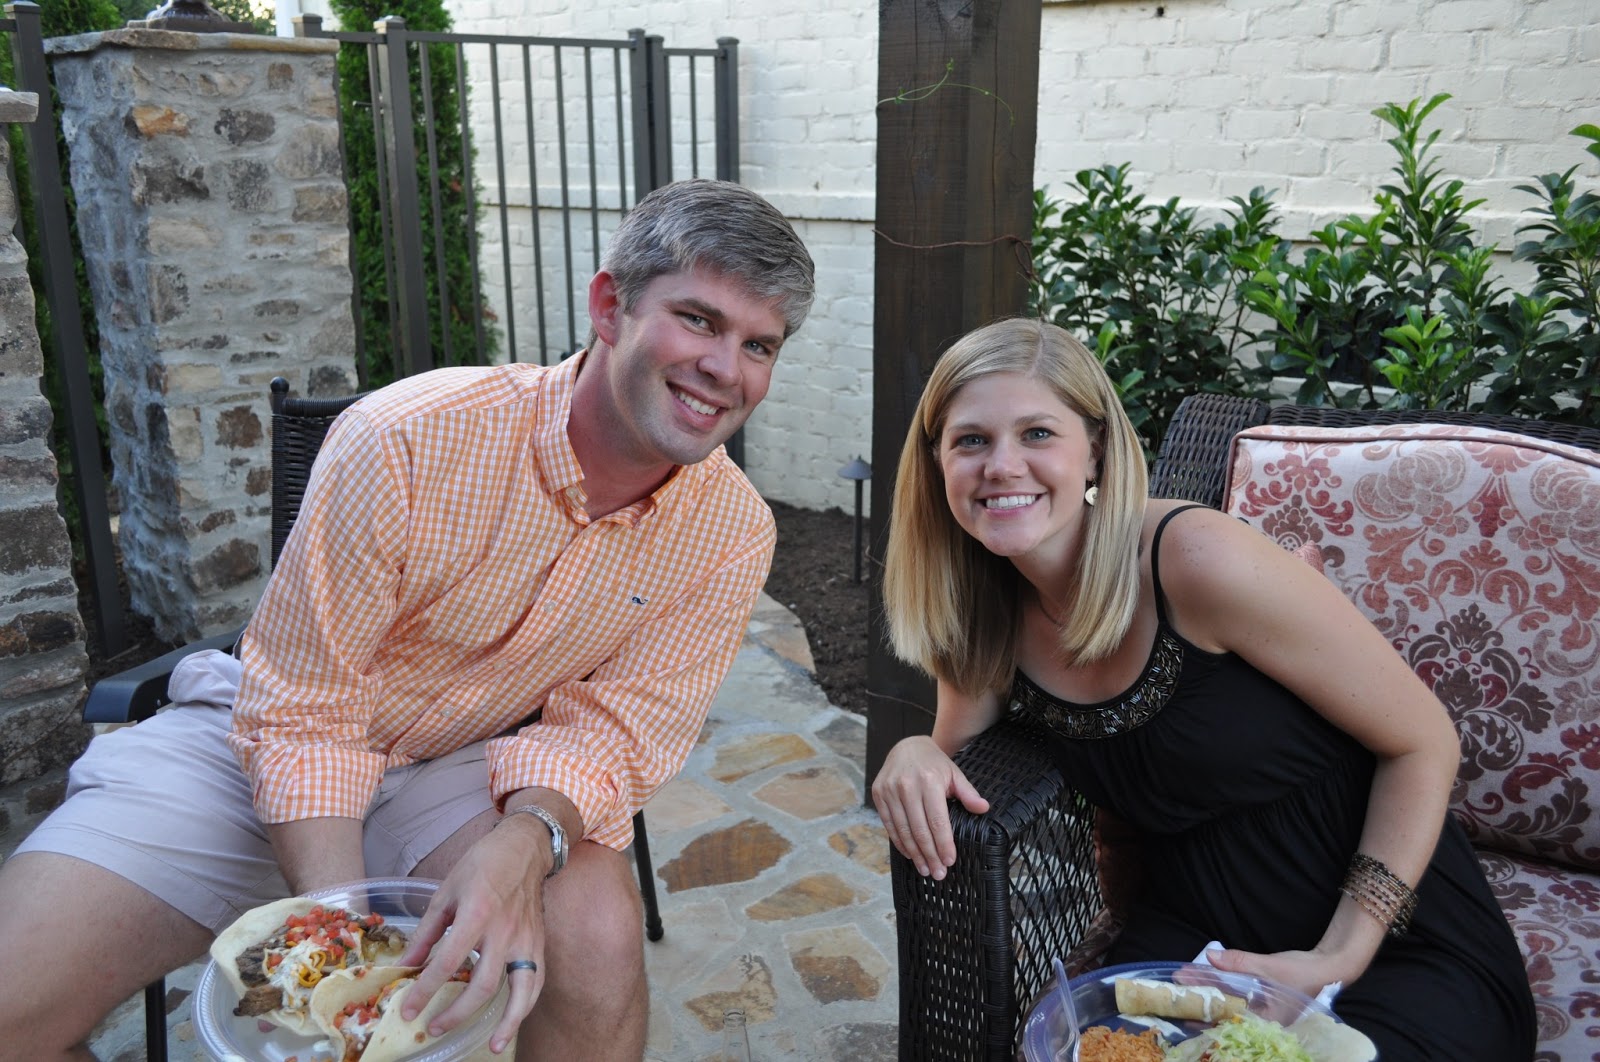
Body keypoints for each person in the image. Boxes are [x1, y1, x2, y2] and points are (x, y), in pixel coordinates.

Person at [0, 177, 815, 1062]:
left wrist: (527, 839)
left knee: (596, 928)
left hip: (460, 767)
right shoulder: (406, 438)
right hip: (253, 747)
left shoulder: (732, 532)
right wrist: (337, 941)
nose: (726, 369)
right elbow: (302, 704)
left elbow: (614, 733)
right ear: (610, 306)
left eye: (758, 344)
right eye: (697, 320)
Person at [870, 318, 1536, 1059]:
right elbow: (956, 762)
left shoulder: (1194, 559)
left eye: (1037, 434)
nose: (1002, 466)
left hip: (1386, 943)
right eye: (971, 440)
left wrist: (1336, 958)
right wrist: (913, 752)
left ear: (1095, 449)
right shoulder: (979, 616)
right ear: (935, 462)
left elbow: (1422, 742)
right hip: (1193, 940)